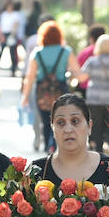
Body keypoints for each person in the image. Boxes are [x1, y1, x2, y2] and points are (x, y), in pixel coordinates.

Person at [21, 21, 86, 154]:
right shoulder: (66, 51)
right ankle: (54, 147)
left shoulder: (37, 53)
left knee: (46, 122)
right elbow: (79, 75)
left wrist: (25, 97)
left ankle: (48, 150)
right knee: (60, 121)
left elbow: (30, 77)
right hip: (61, 93)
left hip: (41, 93)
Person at [0, 0, 24, 71]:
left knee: (12, 52)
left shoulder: (15, 14)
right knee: (0, 50)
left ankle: (13, 68)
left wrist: (12, 34)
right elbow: (1, 25)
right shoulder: (3, 14)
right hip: (4, 33)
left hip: (11, 34)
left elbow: (16, 25)